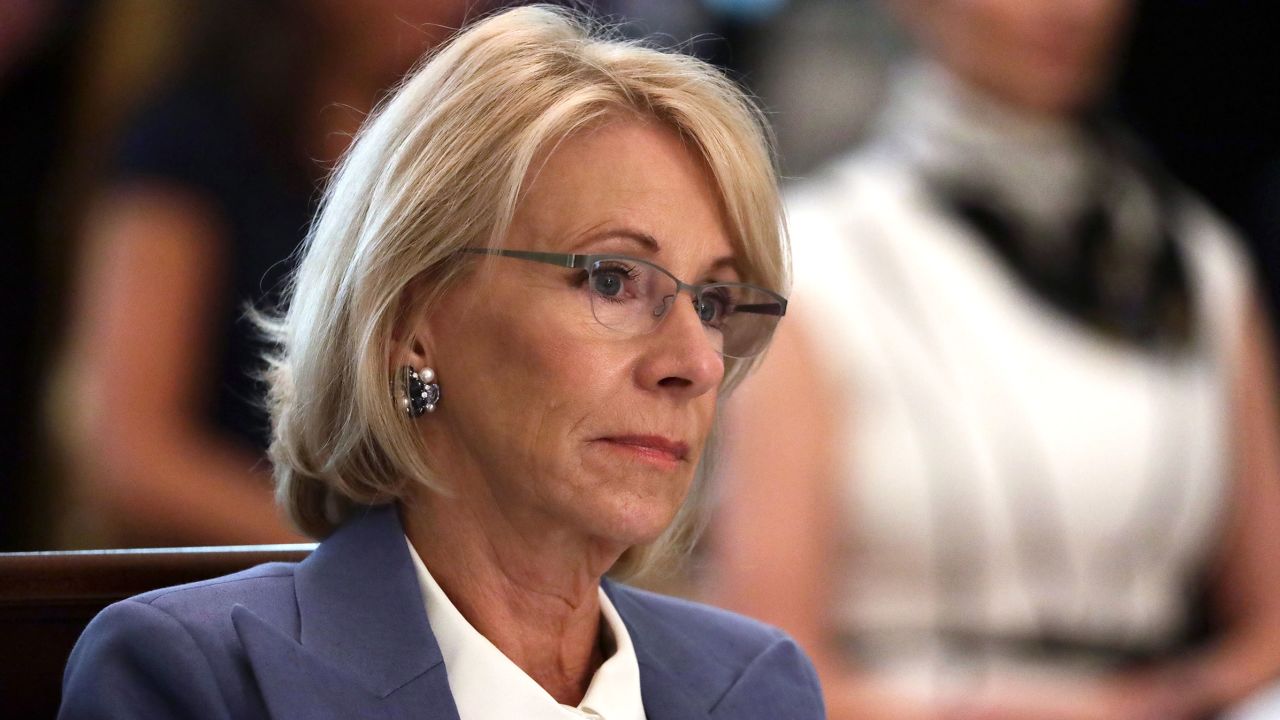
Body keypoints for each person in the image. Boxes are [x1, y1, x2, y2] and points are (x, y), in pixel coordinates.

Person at [57, 6, 824, 718]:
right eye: (612, 279)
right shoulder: (201, 678)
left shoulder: (757, 687)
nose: (696, 363)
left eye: (715, 304)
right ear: (412, 318)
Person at [710, 1, 1280, 719]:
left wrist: (1166, 701)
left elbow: (1270, 623)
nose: (1069, 12)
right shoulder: (817, 265)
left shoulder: (1196, 266)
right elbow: (763, 662)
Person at [55, 0, 472, 546]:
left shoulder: (493, 144)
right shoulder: (189, 142)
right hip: (246, 584)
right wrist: (365, 560)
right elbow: (130, 457)